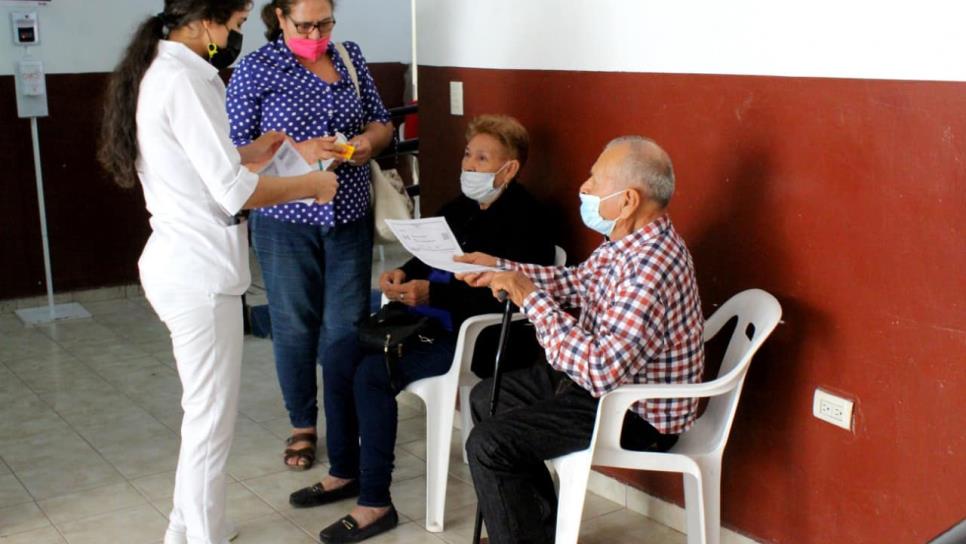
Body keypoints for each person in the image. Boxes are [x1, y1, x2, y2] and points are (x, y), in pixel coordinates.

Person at [97, 2, 338, 543]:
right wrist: (312, 184)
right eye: (233, 25)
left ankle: (185, 527)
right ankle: (199, 535)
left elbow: (205, 167)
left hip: (184, 262)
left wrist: (254, 151)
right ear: (206, 20)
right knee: (209, 422)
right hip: (197, 273)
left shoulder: (164, 71)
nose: (234, 37)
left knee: (202, 414)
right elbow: (233, 192)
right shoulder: (186, 80)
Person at [287, 115, 557, 543]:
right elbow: (428, 257)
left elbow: (511, 294)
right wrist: (399, 273)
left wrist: (434, 295)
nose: (469, 165)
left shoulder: (529, 221)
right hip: (424, 323)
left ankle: (376, 503)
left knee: (373, 374)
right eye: (468, 154)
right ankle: (345, 472)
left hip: (479, 337)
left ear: (510, 169)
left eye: (483, 158)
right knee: (339, 354)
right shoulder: (458, 208)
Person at [455, 136, 706, 544]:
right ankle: (531, 531)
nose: (584, 187)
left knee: (490, 444)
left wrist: (527, 296)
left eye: (594, 178)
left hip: (634, 412)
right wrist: (498, 266)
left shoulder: (650, 267)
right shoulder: (627, 243)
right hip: (600, 389)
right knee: (485, 399)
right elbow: (575, 282)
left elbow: (599, 371)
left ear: (627, 201)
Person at [225, 0, 394, 473]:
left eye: (325, 22)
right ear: (279, 17)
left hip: (349, 213)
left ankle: (344, 424)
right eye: (305, 24)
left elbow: (382, 121)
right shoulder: (256, 69)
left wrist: (368, 143)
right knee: (294, 325)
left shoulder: (348, 55)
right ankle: (303, 424)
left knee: (346, 327)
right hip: (284, 219)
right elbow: (234, 156)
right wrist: (296, 151)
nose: (316, 32)